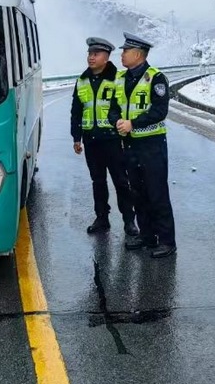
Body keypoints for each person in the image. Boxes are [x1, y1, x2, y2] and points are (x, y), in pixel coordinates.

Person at [108, 31, 176, 258]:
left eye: (125, 51)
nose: (122, 55)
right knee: (137, 192)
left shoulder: (156, 78)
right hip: (129, 144)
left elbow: (159, 111)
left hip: (152, 144)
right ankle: (147, 236)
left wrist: (132, 123)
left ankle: (166, 241)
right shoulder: (119, 78)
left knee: (156, 192)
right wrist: (116, 120)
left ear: (138, 54)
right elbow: (113, 107)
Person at [71, 37, 138, 236]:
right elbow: (76, 111)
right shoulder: (82, 80)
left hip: (114, 140)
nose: (91, 58)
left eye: (96, 54)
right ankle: (102, 218)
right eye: (89, 54)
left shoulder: (119, 79)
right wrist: (76, 137)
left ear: (106, 57)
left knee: (121, 181)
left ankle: (129, 220)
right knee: (97, 182)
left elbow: (126, 108)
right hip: (91, 141)